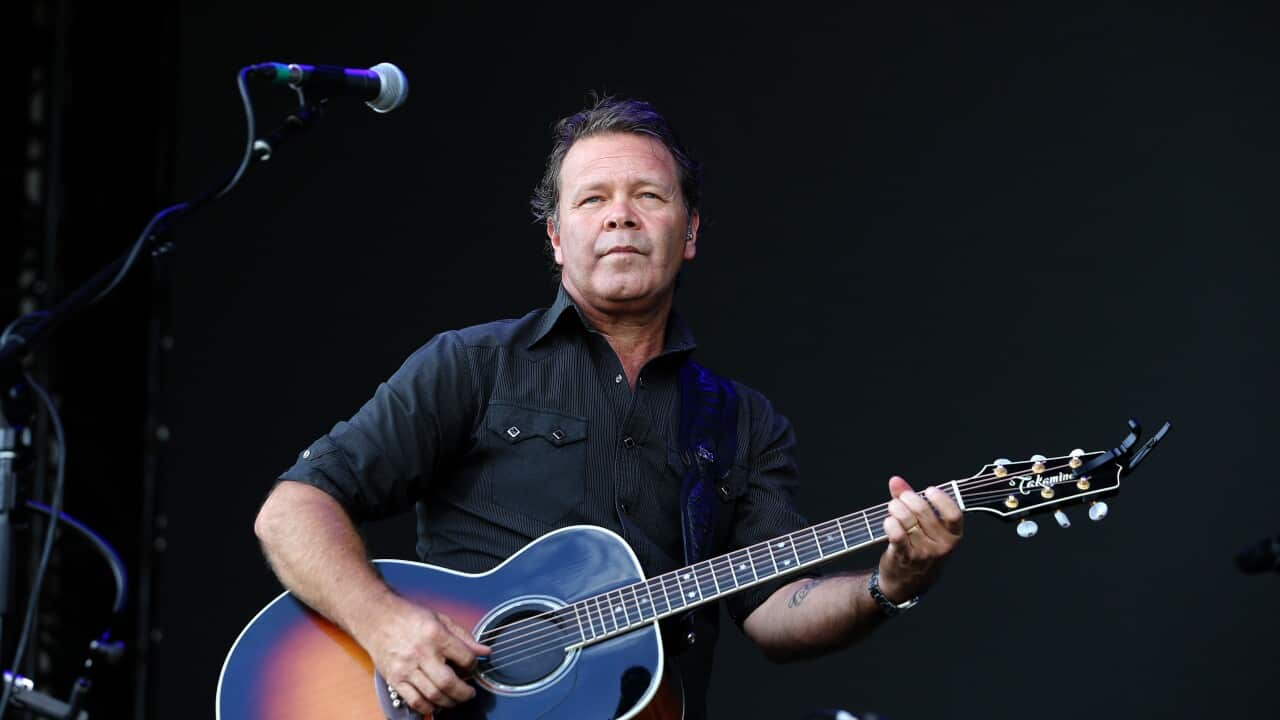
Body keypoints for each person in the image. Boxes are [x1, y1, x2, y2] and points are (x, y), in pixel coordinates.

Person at [253, 96, 963, 719]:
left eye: (648, 196)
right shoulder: (472, 364)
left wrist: (890, 582)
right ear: (557, 239)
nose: (620, 214)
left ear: (688, 234)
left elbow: (778, 612)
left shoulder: (744, 424)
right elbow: (291, 510)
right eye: (592, 198)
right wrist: (385, 626)